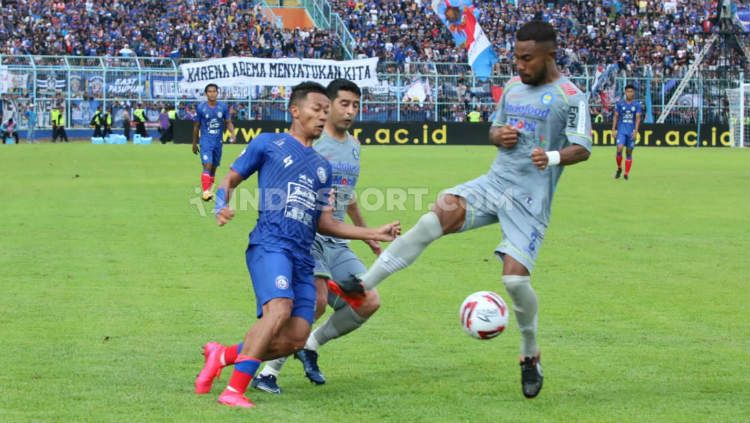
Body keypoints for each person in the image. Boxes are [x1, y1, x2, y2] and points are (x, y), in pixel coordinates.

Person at [328, 21, 592, 399]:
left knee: (514, 282)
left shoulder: (570, 96)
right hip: (494, 183)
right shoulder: (514, 89)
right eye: (516, 57)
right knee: (435, 216)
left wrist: (550, 156)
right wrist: (497, 135)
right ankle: (362, 286)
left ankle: (530, 354)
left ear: (550, 54)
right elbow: (494, 129)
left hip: (530, 199)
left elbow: (582, 146)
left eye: (526, 58)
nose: (518, 65)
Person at [193, 81, 400, 409]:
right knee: (279, 310)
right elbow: (230, 179)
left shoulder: (322, 168)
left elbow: (327, 222)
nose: (322, 116)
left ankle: (223, 355)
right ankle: (234, 390)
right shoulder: (269, 144)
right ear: (295, 111)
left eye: (324, 111)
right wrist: (222, 204)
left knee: (295, 337)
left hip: (303, 255)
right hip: (271, 244)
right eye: (317, 110)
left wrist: (373, 232)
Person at [251, 79, 381, 394]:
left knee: (368, 302)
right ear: (326, 105)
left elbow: (347, 195)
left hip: (338, 238)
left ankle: (310, 343)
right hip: (308, 235)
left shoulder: (353, 146)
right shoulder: (312, 142)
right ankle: (266, 372)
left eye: (355, 105)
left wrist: (366, 234)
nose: (350, 111)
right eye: (344, 104)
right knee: (316, 301)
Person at [192, 84, 236, 201]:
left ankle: (208, 191)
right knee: (208, 164)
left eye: (214, 91)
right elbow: (196, 126)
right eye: (210, 91)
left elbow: (228, 122)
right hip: (205, 141)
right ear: (206, 94)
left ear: (217, 93)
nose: (212, 93)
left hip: (218, 142)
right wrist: (194, 143)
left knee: (213, 168)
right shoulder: (201, 108)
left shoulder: (223, 107)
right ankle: (206, 191)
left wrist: (232, 133)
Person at [612, 84, 641, 180]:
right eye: (628, 91)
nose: (629, 93)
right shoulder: (620, 104)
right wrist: (613, 129)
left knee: (629, 152)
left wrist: (636, 131)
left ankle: (626, 173)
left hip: (631, 132)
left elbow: (637, 118)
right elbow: (616, 116)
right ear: (625, 92)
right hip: (621, 130)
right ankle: (619, 168)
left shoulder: (637, 105)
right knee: (619, 149)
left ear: (634, 93)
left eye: (631, 91)